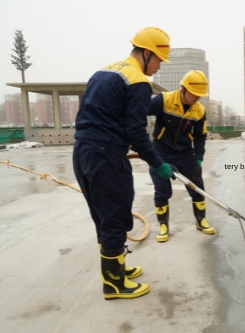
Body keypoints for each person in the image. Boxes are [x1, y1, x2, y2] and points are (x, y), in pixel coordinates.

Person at [73, 27, 178, 300]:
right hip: (106, 157)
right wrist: (159, 164)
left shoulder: (104, 72)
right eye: (158, 61)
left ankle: (117, 268)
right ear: (146, 53)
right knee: (116, 218)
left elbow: (99, 116)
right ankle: (114, 285)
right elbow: (135, 133)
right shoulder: (138, 81)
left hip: (83, 152)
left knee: (104, 217)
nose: (157, 68)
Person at [148, 70, 214, 242]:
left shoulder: (199, 110)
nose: (198, 98)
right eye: (195, 94)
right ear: (183, 88)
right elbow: (139, 112)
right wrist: (137, 140)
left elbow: (200, 137)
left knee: (196, 186)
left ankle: (201, 220)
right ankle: (163, 225)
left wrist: (198, 159)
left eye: (201, 95)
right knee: (162, 191)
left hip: (185, 154)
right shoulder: (164, 100)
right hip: (161, 152)